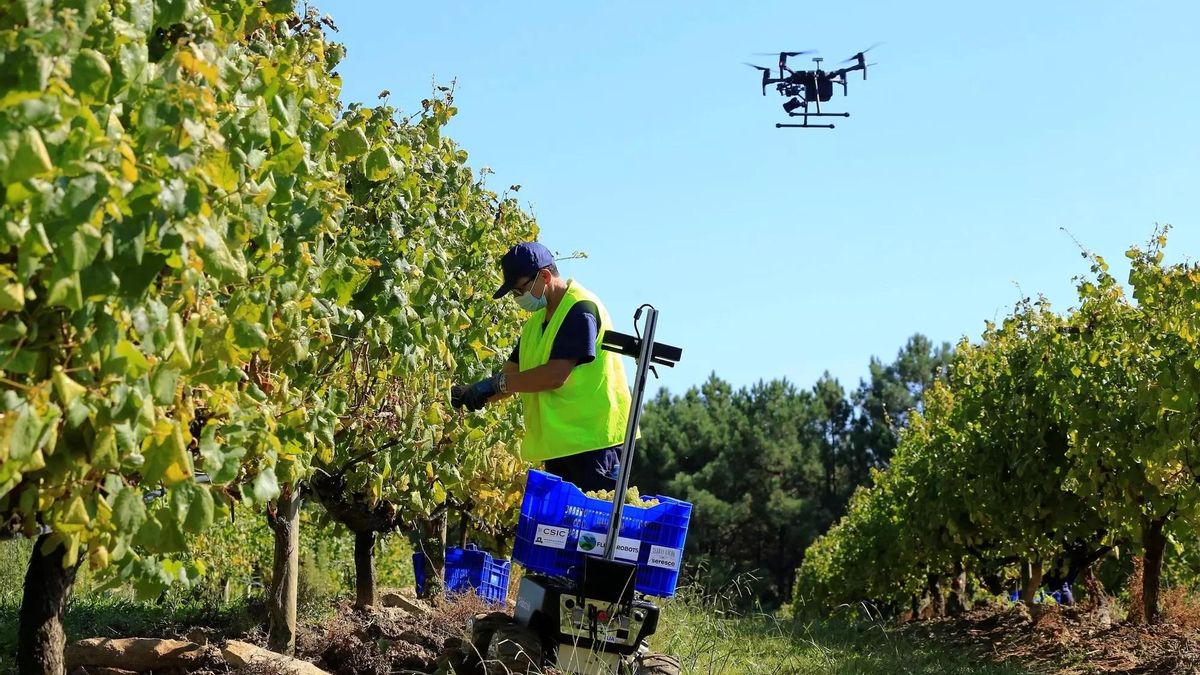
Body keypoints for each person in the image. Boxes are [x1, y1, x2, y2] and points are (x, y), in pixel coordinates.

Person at [451, 242, 632, 492]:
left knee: (593, 529)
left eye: (519, 289)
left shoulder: (580, 308)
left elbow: (556, 375)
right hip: (562, 446)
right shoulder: (535, 325)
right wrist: (473, 392)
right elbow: (510, 378)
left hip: (595, 444)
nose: (518, 298)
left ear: (544, 276)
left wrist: (498, 384)